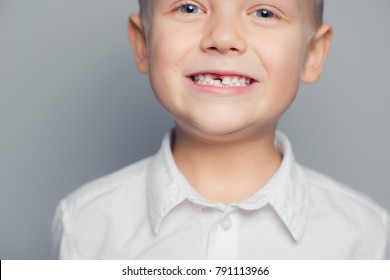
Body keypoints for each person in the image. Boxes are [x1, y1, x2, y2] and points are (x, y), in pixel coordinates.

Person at [51, 0, 390, 259]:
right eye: (189, 7)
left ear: (312, 54)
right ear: (143, 44)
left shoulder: (365, 234)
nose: (224, 38)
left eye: (264, 13)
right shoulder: (86, 223)